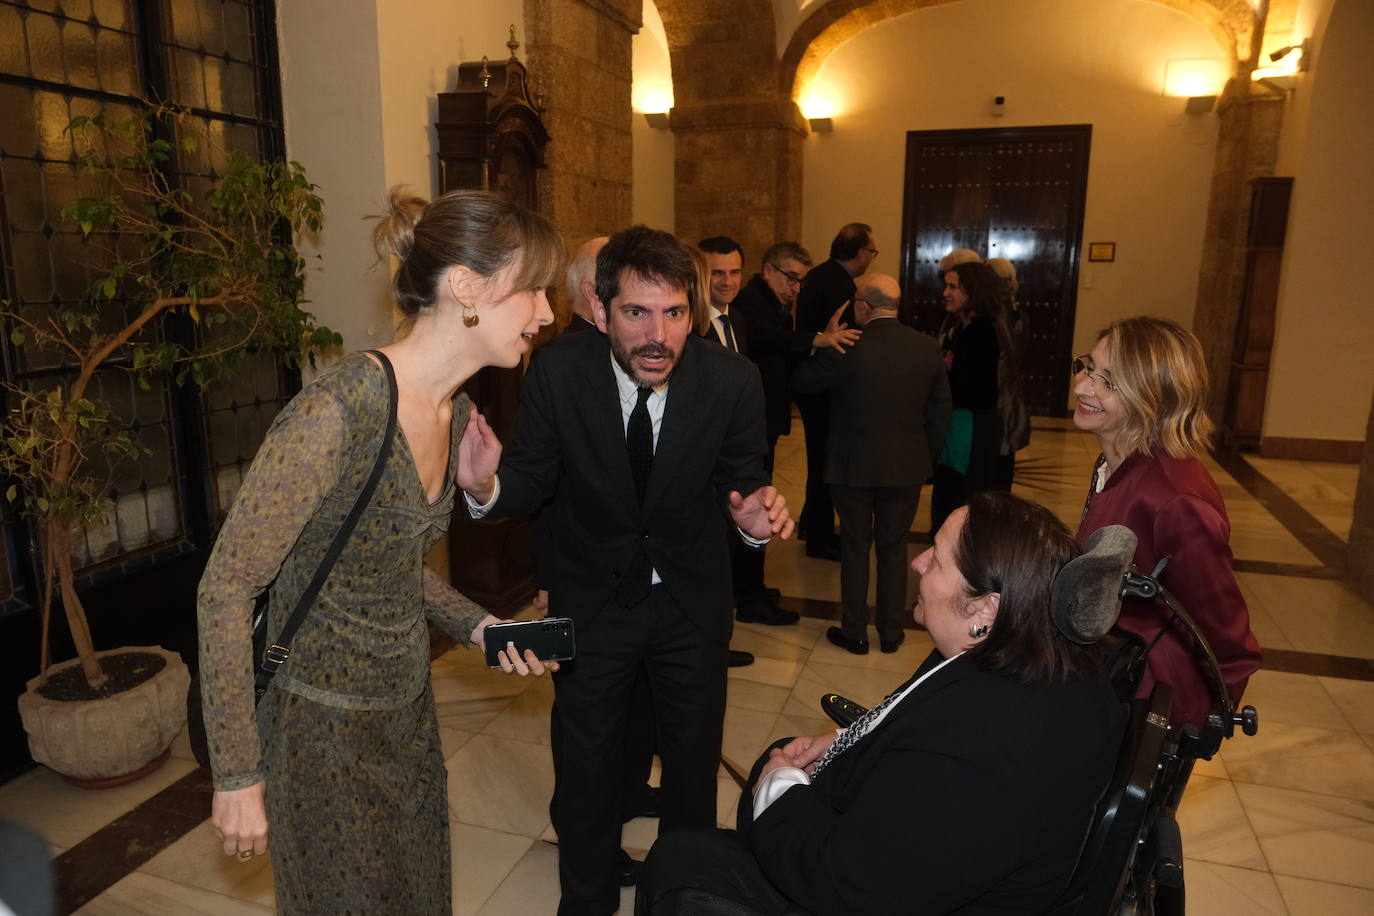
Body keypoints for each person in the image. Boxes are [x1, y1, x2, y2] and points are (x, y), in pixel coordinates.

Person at [197, 188, 563, 914]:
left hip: (406, 713)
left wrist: (480, 628)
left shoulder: (455, 412)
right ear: (466, 287)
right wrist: (237, 773)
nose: (549, 312)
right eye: (533, 289)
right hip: (320, 731)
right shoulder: (335, 414)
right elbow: (225, 589)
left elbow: (385, 564)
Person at [456, 225, 794, 916]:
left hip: (689, 609)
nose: (657, 335)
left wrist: (752, 524)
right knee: (586, 769)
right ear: (600, 307)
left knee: (692, 773)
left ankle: (683, 899)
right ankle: (585, 902)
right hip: (593, 605)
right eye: (637, 312)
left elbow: (743, 486)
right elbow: (531, 480)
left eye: (674, 313)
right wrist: (487, 486)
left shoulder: (732, 381)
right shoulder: (557, 373)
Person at [636, 492, 1124, 916]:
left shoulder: (981, 744)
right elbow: (920, 726)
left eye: (935, 558)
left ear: (985, 607)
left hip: (865, 891)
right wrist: (848, 739)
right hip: (928, 860)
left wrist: (778, 784)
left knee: (679, 859)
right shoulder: (1038, 656)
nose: (917, 562)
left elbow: (849, 886)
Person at [1073, 316, 1261, 730]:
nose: (1083, 387)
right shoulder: (1116, 459)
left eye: (1109, 381)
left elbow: (1225, 635)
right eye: (1089, 367)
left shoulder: (1173, 498)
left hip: (1143, 698)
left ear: (1152, 397)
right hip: (1107, 674)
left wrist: (1203, 721)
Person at [792, 273, 951, 655]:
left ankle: (855, 631)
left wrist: (823, 342)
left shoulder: (848, 347)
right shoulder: (926, 348)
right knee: (895, 548)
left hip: (852, 467)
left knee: (855, 546)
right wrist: (921, 456)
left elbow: (801, 382)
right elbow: (941, 411)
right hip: (905, 468)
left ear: (863, 305)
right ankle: (892, 632)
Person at [793, 222, 876, 559]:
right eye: (872, 251)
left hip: (813, 381)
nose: (872, 257)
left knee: (819, 461)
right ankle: (820, 538)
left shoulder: (820, 275)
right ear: (859, 253)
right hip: (826, 386)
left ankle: (812, 527)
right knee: (826, 465)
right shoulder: (842, 286)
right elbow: (847, 339)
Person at [930, 260, 1011, 534]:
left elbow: (973, 388)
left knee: (964, 495)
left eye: (953, 286)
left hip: (973, 426)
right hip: (965, 422)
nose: (945, 292)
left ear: (972, 291)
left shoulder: (981, 330)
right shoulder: (966, 326)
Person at [985, 256, 1031, 489]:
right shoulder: (1018, 314)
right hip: (1009, 395)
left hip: (996, 395)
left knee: (991, 461)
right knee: (1003, 462)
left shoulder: (993, 317)